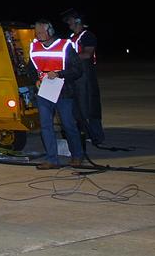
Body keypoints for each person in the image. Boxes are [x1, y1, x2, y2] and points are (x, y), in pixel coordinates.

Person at [29, 20, 85, 170]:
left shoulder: (65, 46)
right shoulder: (34, 47)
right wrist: (35, 80)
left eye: (41, 32)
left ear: (50, 32)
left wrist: (60, 74)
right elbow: (30, 69)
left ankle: (77, 156)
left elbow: (78, 70)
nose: (38, 35)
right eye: (37, 32)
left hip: (63, 91)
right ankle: (51, 159)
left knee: (68, 125)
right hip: (44, 92)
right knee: (46, 127)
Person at [63, 10, 105, 145]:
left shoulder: (88, 36)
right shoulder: (71, 37)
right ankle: (83, 133)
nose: (68, 23)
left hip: (86, 74)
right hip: (75, 74)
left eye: (70, 20)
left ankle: (96, 135)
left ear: (77, 21)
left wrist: (69, 59)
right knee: (77, 106)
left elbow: (87, 54)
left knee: (89, 104)